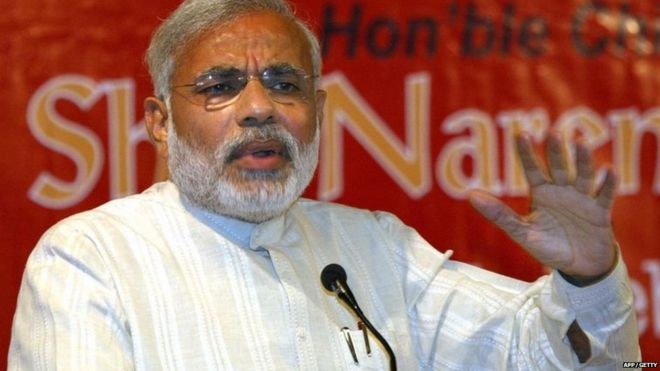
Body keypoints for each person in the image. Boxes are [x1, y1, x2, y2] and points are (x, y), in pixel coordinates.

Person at [9, 0, 640, 369]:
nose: (259, 108)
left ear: (318, 109)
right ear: (159, 121)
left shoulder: (375, 248)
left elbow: (550, 356)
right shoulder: (89, 258)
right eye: (221, 86)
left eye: (285, 85)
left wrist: (588, 280)